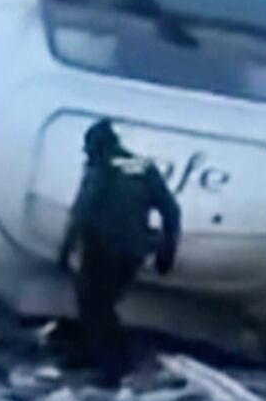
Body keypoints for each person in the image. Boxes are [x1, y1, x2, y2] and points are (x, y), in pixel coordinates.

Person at [56, 120, 180, 386]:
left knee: (93, 305)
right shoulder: (144, 168)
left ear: (98, 147)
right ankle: (101, 356)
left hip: (101, 248)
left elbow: (82, 212)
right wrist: (166, 253)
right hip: (134, 250)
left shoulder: (100, 169)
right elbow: (171, 211)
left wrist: (64, 251)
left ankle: (113, 367)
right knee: (104, 303)